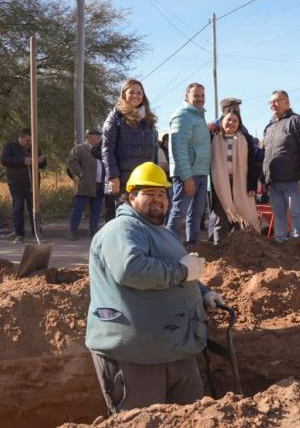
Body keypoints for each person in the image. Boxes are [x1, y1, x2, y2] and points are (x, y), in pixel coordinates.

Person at [85, 162, 225, 412]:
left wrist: (203, 293)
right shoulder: (122, 229)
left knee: (192, 418)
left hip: (175, 349)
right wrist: (183, 271)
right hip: (136, 357)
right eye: (149, 193)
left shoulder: (164, 233)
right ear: (131, 196)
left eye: (163, 194)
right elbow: (132, 270)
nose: (158, 199)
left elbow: (178, 273)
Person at [102, 78, 159, 222]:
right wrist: (113, 177)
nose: (136, 96)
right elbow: (107, 149)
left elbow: (154, 150)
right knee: (126, 217)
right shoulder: (116, 116)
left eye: (139, 93)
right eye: (131, 92)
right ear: (124, 94)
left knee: (144, 215)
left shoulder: (148, 118)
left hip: (145, 177)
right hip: (124, 179)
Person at [262, 90, 300, 242]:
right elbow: (266, 156)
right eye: (271, 102)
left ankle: (297, 245)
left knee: (296, 214)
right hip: (274, 182)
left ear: (287, 103)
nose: (274, 104)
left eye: (278, 100)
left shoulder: (297, 121)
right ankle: (280, 244)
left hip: (293, 181)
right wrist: (265, 178)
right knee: (279, 216)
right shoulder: (269, 127)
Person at [167, 83, 211, 247]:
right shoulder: (183, 115)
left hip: (200, 172)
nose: (200, 99)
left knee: (197, 213)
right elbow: (179, 148)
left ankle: (192, 244)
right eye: (196, 96)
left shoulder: (197, 115)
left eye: (202, 96)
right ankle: (168, 246)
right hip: (187, 174)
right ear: (187, 97)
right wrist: (187, 177)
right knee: (179, 212)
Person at [210, 110, 260, 245]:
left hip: (242, 184)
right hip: (221, 185)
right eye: (228, 120)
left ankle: (241, 248)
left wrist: (252, 184)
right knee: (222, 217)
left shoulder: (246, 139)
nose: (231, 123)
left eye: (235, 121)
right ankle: (219, 249)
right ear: (221, 121)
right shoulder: (213, 138)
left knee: (242, 217)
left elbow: (252, 163)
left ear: (239, 124)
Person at [0, 128, 46, 243]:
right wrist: (22, 160)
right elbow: (5, 160)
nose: (29, 143)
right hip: (16, 184)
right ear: (20, 137)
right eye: (27, 140)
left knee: (34, 208)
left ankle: (36, 232)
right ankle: (19, 234)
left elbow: (43, 165)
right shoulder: (10, 146)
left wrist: (41, 161)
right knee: (18, 208)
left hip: (33, 184)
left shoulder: (35, 147)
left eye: (31, 141)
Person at [67, 129, 104, 240]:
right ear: (89, 137)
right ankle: (73, 231)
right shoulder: (79, 148)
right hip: (85, 184)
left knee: (97, 209)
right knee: (79, 208)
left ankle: (93, 230)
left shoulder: (101, 150)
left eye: (99, 137)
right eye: (97, 136)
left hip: (99, 184)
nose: (99, 139)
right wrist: (81, 174)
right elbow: (71, 162)